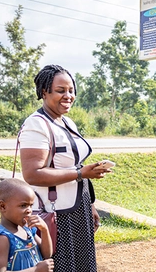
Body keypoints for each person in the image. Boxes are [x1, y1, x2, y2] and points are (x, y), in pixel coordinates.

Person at [19, 64, 111, 272]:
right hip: (56, 213)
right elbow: (32, 174)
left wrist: (91, 204)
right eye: (60, 91)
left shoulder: (67, 122)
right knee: (62, 265)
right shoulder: (37, 124)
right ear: (44, 92)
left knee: (81, 264)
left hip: (78, 207)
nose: (68, 95)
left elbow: (75, 164)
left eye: (71, 90)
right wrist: (80, 174)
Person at [0, 178, 55, 272]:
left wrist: (44, 230)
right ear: (3, 206)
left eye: (31, 205)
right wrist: (35, 270)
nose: (29, 210)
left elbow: (47, 254)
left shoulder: (27, 229)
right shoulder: (2, 238)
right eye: (23, 205)